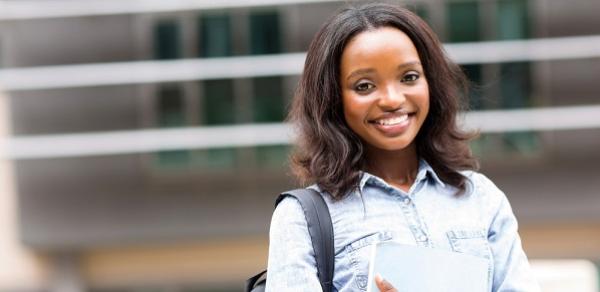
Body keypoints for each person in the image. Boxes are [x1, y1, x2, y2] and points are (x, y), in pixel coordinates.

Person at [266, 2, 539, 292]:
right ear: (333, 99)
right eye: (364, 86)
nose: (392, 99)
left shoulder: (480, 198)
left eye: (409, 77)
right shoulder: (302, 218)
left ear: (430, 83)